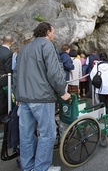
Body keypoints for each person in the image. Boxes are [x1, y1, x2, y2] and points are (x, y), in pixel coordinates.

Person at [13, 22, 71, 171]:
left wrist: (17, 95)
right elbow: (53, 72)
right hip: (42, 97)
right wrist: (62, 92)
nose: (54, 34)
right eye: (53, 31)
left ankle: (28, 166)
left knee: (26, 134)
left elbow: (16, 74)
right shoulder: (46, 45)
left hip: (24, 98)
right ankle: (42, 168)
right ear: (47, 32)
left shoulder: (24, 48)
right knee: (47, 134)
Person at [0, 36, 14, 122]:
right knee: (3, 99)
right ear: (12, 42)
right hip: (4, 80)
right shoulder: (8, 53)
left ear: (2, 41)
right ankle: (2, 116)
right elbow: (8, 70)